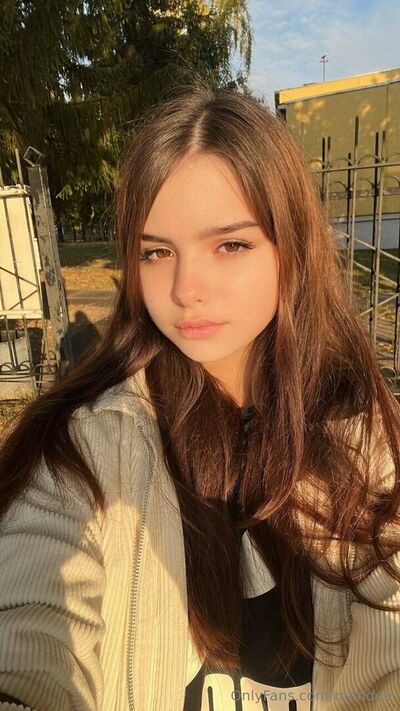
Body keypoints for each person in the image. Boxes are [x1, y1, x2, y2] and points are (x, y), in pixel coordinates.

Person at [0, 81, 399, 711]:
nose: (186, 288)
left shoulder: (364, 434)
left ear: (292, 249)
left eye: (230, 244)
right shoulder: (90, 442)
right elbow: (30, 610)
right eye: (157, 252)